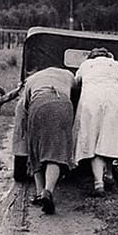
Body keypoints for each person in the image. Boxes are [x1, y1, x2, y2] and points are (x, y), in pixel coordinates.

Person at [19, 67, 77, 214]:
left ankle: (39, 193)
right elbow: (76, 96)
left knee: (35, 150)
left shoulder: (31, 80)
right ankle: (48, 191)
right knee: (56, 152)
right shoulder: (68, 75)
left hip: (39, 103)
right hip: (63, 104)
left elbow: (25, 105)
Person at [73, 47, 118, 196]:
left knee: (93, 139)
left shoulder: (86, 65)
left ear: (91, 57)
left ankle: (98, 184)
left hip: (91, 100)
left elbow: (76, 83)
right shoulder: (114, 64)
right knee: (109, 137)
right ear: (108, 56)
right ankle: (109, 174)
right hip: (114, 100)